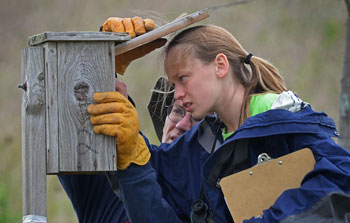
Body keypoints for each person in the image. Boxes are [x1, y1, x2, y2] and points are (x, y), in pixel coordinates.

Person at [87, 24, 350, 222]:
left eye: (183, 78)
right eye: (172, 84)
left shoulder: (283, 117)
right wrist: (103, 68)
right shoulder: (202, 140)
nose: (176, 94)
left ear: (220, 65)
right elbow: (156, 182)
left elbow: (340, 177)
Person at [58, 17, 200, 222]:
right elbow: (64, 118)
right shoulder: (109, 161)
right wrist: (98, 68)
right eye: (178, 111)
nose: (182, 125)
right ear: (164, 119)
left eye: (197, 120)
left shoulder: (205, 201)